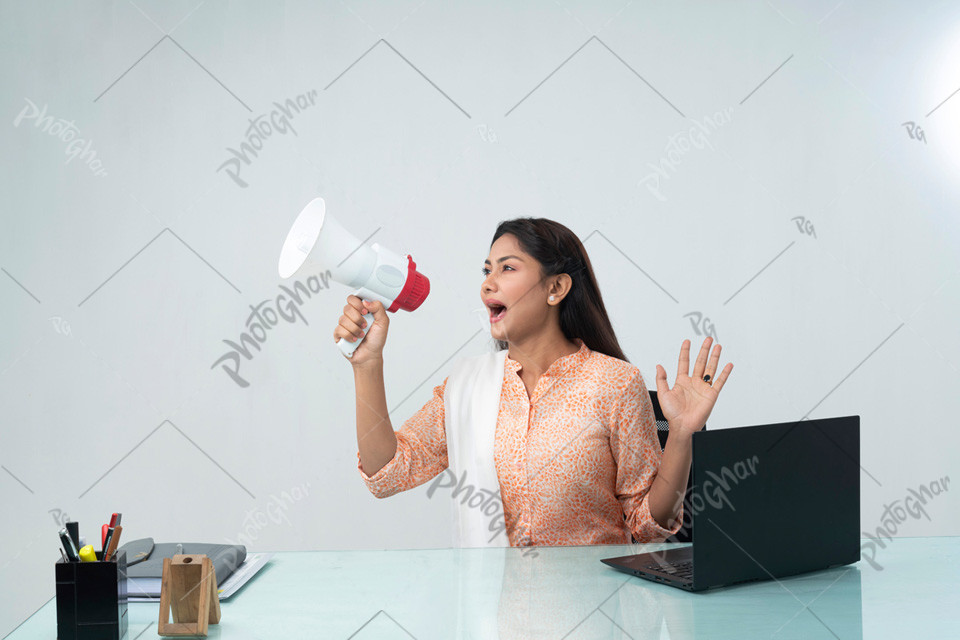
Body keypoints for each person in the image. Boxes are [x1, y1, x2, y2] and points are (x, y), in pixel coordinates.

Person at [336, 217, 733, 546]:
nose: (487, 284)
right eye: (486, 270)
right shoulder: (466, 387)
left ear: (556, 288)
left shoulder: (615, 384)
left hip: (595, 614)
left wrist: (681, 435)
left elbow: (646, 526)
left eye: (507, 268)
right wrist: (366, 365)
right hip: (492, 617)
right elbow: (386, 474)